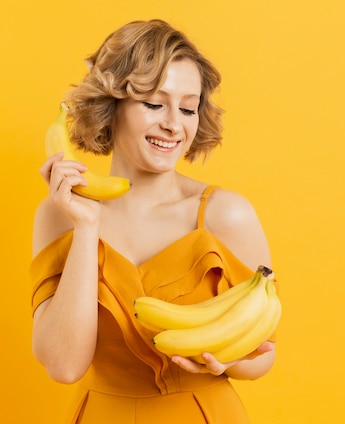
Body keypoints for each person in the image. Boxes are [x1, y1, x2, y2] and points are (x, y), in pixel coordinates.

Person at [30, 19, 276, 423]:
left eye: (187, 107)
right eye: (153, 103)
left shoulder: (225, 214)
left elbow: (264, 355)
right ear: (112, 106)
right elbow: (63, 365)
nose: (173, 124)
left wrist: (224, 361)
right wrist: (87, 227)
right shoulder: (60, 214)